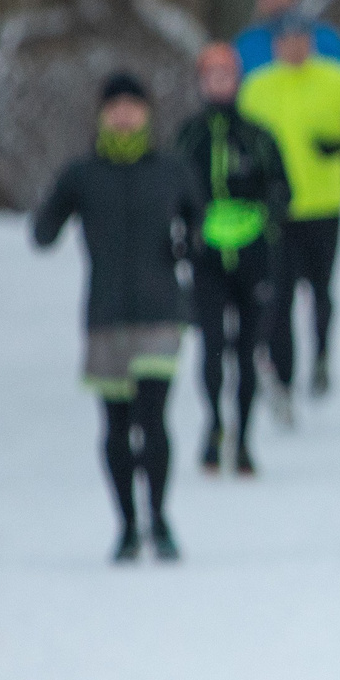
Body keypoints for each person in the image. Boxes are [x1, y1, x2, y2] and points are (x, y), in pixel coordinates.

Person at [32, 73, 203, 563]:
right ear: (101, 114)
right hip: (105, 315)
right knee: (115, 426)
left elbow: (200, 221)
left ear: (148, 113)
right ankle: (126, 525)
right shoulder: (82, 173)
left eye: (134, 106)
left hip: (160, 312)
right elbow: (44, 232)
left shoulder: (171, 169)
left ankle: (160, 519)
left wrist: (189, 242)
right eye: (115, 107)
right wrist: (48, 217)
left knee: (153, 420)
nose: (125, 115)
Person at [237, 16, 340, 411]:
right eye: (286, 41)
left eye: (300, 40)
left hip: (324, 204)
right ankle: (284, 376)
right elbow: (239, 135)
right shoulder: (258, 86)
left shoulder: (336, 78)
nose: (293, 48)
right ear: (275, 46)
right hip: (277, 207)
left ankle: (321, 356)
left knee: (321, 290)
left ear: (311, 43)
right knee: (280, 294)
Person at [173, 43, 290, 477]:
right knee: (210, 346)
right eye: (211, 76)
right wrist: (188, 230)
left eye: (227, 75)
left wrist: (260, 215)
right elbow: (172, 193)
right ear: (201, 81)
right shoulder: (188, 136)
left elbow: (283, 190)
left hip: (253, 257)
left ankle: (243, 438)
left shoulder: (258, 136)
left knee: (246, 348)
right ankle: (214, 426)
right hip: (206, 257)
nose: (219, 83)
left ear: (237, 80)